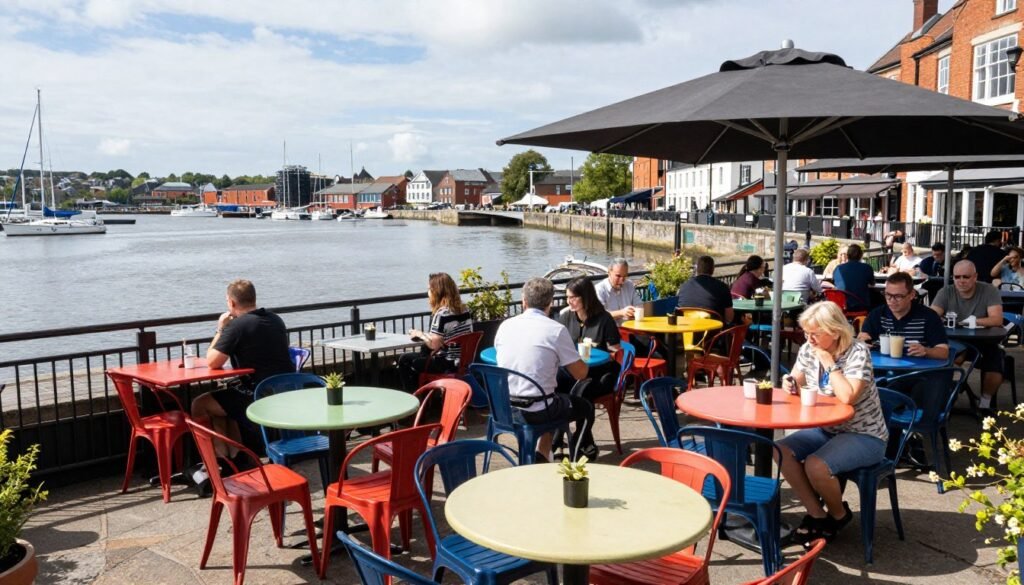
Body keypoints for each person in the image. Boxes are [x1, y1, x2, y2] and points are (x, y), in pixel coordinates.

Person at [777, 301, 888, 545]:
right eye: (806, 332)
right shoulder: (809, 348)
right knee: (781, 450)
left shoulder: (858, 352)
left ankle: (838, 515)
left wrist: (829, 362)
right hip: (826, 428)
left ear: (835, 331)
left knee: (815, 465)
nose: (809, 339)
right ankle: (817, 514)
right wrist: (789, 381)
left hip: (864, 434)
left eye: (815, 333)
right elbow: (797, 376)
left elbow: (848, 397)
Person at [190, 280, 293, 492]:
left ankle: (218, 461)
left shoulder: (236, 325)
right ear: (254, 298)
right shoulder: (276, 319)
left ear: (231, 302)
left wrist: (221, 328)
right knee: (223, 404)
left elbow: (212, 361)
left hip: (257, 395)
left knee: (199, 404)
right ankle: (236, 458)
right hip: (283, 391)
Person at [495, 277, 596, 461]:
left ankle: (542, 455)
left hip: (504, 409)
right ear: (550, 303)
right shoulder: (555, 330)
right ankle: (559, 456)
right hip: (539, 410)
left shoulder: (505, 326)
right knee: (583, 407)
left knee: (550, 399)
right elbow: (581, 373)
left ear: (524, 301)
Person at [931, 260, 1005, 414]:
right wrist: (939, 318)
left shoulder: (989, 290)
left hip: (983, 341)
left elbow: (997, 319)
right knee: (949, 359)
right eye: (957, 277)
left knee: (995, 360)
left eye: (966, 276)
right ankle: (948, 398)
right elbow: (931, 317)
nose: (961, 281)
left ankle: (985, 403)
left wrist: (974, 321)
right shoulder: (946, 292)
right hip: (955, 340)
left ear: (975, 276)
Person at [397, 272, 474, 392]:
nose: (428, 293)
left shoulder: (442, 314)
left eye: (429, 289)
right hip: (463, 362)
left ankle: (413, 397)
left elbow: (434, 345)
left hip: (447, 363)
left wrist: (419, 334)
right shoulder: (466, 310)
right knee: (423, 354)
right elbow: (445, 336)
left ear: (437, 292)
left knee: (404, 359)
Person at [557, 277, 621, 401]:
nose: (569, 301)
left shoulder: (604, 319)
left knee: (575, 389)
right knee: (556, 382)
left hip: (599, 372)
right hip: (575, 369)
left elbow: (616, 353)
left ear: (586, 297)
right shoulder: (566, 317)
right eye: (567, 297)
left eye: (573, 297)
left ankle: (581, 416)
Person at [676, 255, 734, 323]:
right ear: (713, 270)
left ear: (697, 269)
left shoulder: (683, 286)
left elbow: (677, 310)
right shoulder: (722, 287)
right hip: (713, 332)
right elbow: (729, 318)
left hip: (687, 329)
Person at [832, 244, 874, 312]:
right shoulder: (867, 268)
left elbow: (835, 283)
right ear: (861, 255)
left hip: (841, 306)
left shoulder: (838, 268)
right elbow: (872, 283)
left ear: (847, 255)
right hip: (860, 305)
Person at [595, 258, 637, 324]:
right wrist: (621, 313)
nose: (622, 280)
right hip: (608, 331)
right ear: (609, 273)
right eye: (618, 276)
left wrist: (634, 312)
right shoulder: (599, 289)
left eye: (625, 276)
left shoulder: (629, 284)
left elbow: (639, 306)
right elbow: (599, 315)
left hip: (629, 328)